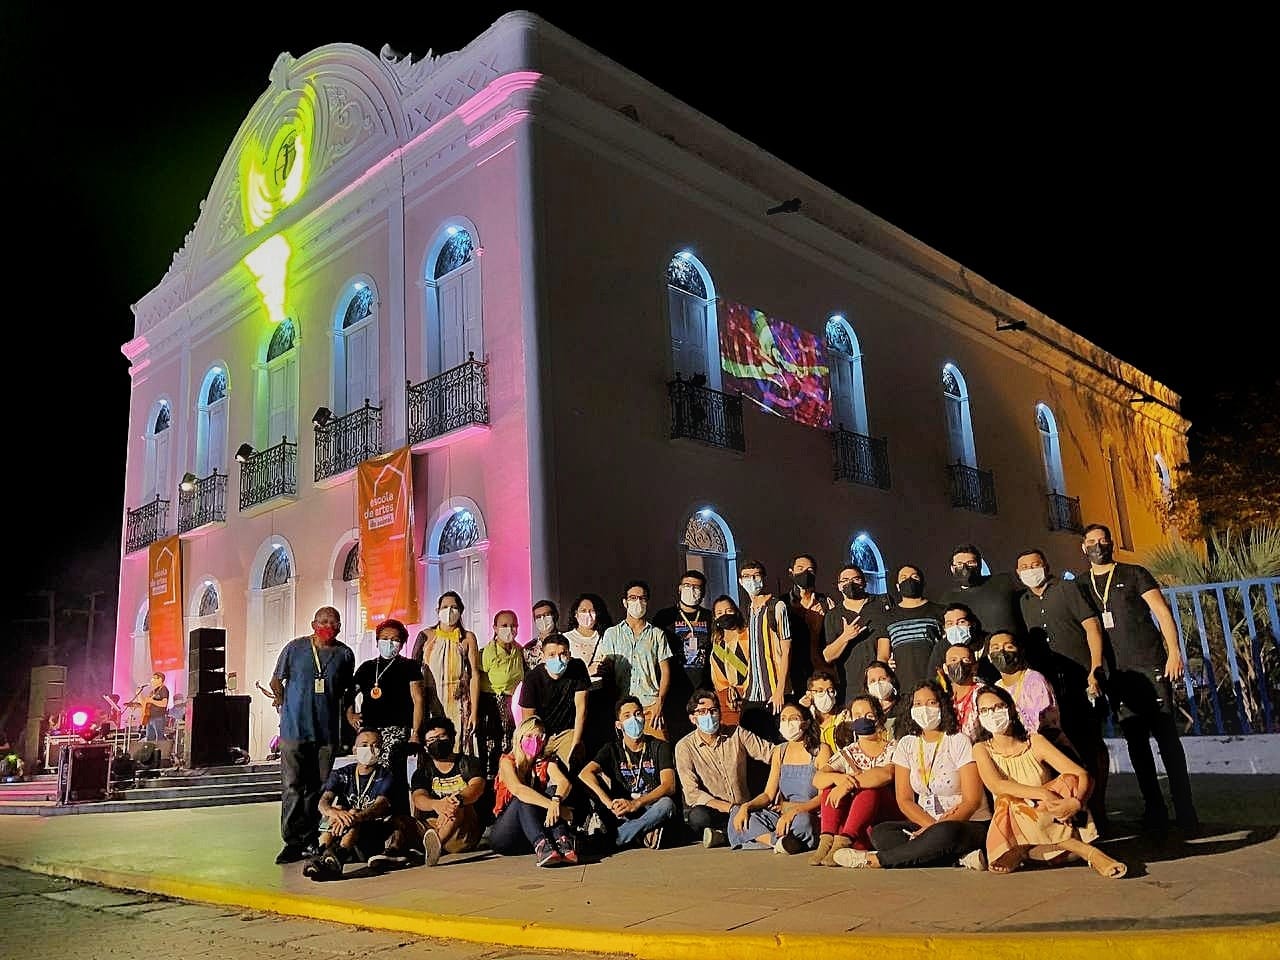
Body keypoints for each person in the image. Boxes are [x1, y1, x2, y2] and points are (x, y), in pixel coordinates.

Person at [1082, 523, 1198, 834]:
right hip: (1116, 674)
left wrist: (1174, 652)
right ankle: (1154, 808)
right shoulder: (1081, 584)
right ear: (1083, 547)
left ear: (1111, 543)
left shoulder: (1134, 573)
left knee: (1166, 738)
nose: (1097, 546)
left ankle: (1185, 809)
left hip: (1149, 664)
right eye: (1091, 541)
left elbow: (1161, 611)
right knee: (1136, 743)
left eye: (1102, 540)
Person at [833, 681, 991, 870]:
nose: (924, 709)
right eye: (918, 704)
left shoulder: (958, 741)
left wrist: (935, 828)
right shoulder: (907, 744)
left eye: (931, 703)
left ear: (942, 705)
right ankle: (958, 859)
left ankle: (875, 860)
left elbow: (972, 801)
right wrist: (930, 827)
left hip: (964, 822)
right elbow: (904, 800)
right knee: (881, 834)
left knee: (944, 833)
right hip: (926, 822)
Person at [972, 685, 1125, 878]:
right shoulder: (981, 749)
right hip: (1014, 823)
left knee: (1070, 780)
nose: (992, 714)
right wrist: (1043, 793)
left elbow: (1081, 774)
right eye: (984, 710)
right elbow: (997, 785)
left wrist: (1076, 802)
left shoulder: (1034, 742)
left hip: (1052, 818)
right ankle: (1089, 852)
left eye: (997, 707)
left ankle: (1026, 848)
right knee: (1007, 800)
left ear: (1010, 708)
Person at [1016, 548, 1110, 829]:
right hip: (1046, 690)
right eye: (1024, 567)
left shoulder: (1068, 590)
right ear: (1018, 573)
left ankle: (1097, 807)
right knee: (1061, 751)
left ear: (1046, 565)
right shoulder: (1022, 602)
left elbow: (1092, 627)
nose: (1031, 570)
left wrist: (1095, 667)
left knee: (1090, 744)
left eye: (1035, 564)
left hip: (1079, 681)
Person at [271, 606, 356, 864]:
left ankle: (310, 838)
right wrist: (282, 702)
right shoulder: (295, 648)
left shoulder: (344, 654)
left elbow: (346, 692)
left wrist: (350, 717)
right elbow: (276, 680)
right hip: (294, 730)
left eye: (333, 622)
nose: (328, 626)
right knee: (293, 786)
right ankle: (292, 841)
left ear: (340, 627)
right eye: (323, 621)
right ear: (313, 624)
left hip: (326, 733)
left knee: (318, 788)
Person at [675, 689, 774, 846]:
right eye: (702, 711)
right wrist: (730, 809)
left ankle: (724, 836)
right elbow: (692, 793)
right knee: (698, 817)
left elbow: (769, 752)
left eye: (713, 710)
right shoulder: (684, 747)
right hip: (717, 811)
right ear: (693, 718)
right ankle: (741, 832)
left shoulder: (737, 733)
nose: (709, 715)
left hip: (745, 807)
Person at [579, 696, 678, 849]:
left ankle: (618, 837)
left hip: (650, 806)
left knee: (667, 804)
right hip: (622, 809)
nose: (634, 719)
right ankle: (644, 835)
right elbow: (585, 773)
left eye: (638, 714)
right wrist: (609, 803)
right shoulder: (611, 748)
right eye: (627, 716)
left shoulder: (659, 746)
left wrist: (637, 803)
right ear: (618, 725)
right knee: (591, 789)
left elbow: (669, 785)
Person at [809, 695, 898, 864]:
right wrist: (839, 779)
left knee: (870, 789)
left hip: (884, 818)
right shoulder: (849, 752)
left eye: (869, 715)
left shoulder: (892, 748)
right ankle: (827, 841)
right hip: (858, 824)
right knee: (829, 787)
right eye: (857, 716)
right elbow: (818, 778)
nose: (863, 720)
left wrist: (848, 785)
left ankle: (843, 843)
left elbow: (886, 774)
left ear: (879, 717)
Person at [347, 619, 424, 812]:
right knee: (368, 771)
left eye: (395, 639)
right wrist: (351, 715)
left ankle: (399, 817)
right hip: (369, 729)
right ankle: (369, 814)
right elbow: (348, 695)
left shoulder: (409, 666)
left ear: (402, 643)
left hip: (397, 729)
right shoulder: (366, 667)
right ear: (377, 641)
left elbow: (418, 700)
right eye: (385, 638)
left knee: (393, 773)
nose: (389, 643)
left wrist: (416, 732)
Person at [302, 729, 401, 879]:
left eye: (375, 745)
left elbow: (379, 806)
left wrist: (355, 817)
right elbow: (323, 802)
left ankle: (338, 857)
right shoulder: (342, 773)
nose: (370, 749)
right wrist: (335, 813)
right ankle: (321, 854)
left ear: (380, 750)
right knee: (337, 809)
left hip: (371, 834)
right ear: (355, 749)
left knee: (353, 812)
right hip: (341, 829)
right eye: (364, 745)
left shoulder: (386, 776)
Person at [729, 703, 827, 853]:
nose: (788, 723)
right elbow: (768, 794)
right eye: (784, 719)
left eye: (793, 718)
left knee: (803, 822)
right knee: (737, 812)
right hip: (782, 813)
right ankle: (778, 842)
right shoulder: (779, 751)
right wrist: (746, 806)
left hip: (808, 813)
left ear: (806, 723)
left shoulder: (821, 750)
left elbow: (822, 797)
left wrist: (795, 811)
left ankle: (764, 839)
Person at [491, 716, 577, 866]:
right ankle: (541, 845)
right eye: (530, 736)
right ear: (519, 737)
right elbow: (518, 790)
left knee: (553, 791)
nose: (535, 741)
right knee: (524, 797)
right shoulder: (507, 761)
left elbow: (564, 783)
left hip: (530, 830)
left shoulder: (545, 761)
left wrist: (556, 801)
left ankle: (563, 841)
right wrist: (554, 807)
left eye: (540, 737)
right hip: (507, 833)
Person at [598, 580, 673, 740]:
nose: (638, 602)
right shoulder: (612, 634)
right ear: (625, 602)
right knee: (627, 752)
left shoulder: (657, 634)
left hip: (650, 706)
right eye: (633, 598)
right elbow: (607, 670)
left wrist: (659, 703)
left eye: (642, 598)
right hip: (623, 707)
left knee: (661, 749)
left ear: (647, 602)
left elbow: (666, 672)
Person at [409, 717, 486, 865]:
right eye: (431, 740)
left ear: (452, 737)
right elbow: (418, 798)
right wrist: (437, 805)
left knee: (456, 804)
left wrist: (455, 801)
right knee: (401, 821)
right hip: (434, 824)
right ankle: (393, 853)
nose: (437, 742)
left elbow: (476, 787)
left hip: (463, 830)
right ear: (425, 746)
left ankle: (436, 845)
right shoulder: (422, 772)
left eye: (442, 736)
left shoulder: (469, 763)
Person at [413, 592, 481, 754]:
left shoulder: (467, 638)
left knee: (457, 747)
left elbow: (474, 675)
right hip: (431, 702)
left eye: (454, 607)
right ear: (437, 610)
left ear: (461, 611)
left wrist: (474, 712)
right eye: (444, 607)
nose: (449, 611)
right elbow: (413, 672)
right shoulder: (425, 635)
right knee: (432, 744)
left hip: (458, 704)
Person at [653, 570, 713, 741]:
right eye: (687, 585)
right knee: (676, 739)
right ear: (679, 588)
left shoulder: (709, 617)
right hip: (674, 691)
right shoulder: (664, 617)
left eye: (696, 587)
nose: (691, 590)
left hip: (703, 689)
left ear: (703, 592)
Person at [737, 560, 791, 740]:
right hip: (752, 691)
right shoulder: (748, 610)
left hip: (774, 690)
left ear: (763, 578)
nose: (752, 580)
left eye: (756, 575)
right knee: (751, 742)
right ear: (740, 581)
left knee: (776, 741)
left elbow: (786, 650)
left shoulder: (777, 607)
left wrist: (780, 690)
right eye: (747, 576)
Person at [518, 634, 590, 767]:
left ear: (569, 655)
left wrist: (576, 746)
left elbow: (581, 710)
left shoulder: (578, 668)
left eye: (563, 654)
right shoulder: (532, 679)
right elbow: (528, 721)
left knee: (576, 765)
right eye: (551, 655)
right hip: (541, 735)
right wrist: (535, 747)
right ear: (543, 656)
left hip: (567, 734)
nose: (558, 659)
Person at [872, 565, 945, 694]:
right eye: (904, 578)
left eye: (914, 577)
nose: (909, 580)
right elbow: (883, 656)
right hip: (903, 686)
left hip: (936, 684)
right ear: (898, 586)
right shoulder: (888, 617)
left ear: (923, 583)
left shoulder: (940, 611)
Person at [822, 564, 885, 702]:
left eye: (856, 579)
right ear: (839, 586)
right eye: (845, 580)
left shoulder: (880, 605)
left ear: (864, 582)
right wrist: (845, 637)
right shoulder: (833, 616)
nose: (850, 583)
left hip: (881, 683)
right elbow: (828, 656)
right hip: (851, 688)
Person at [563, 593, 615, 755]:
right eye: (583, 611)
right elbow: (562, 672)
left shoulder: (607, 636)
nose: (588, 615)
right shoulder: (566, 639)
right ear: (575, 614)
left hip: (602, 698)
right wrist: (587, 670)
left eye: (592, 611)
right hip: (576, 699)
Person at [942, 543, 1027, 639]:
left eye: (970, 563)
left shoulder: (1004, 581)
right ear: (952, 569)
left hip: (1012, 644)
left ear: (979, 565)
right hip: (977, 647)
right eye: (959, 564)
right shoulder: (949, 599)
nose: (965, 568)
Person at [478, 610, 525, 778]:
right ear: (495, 628)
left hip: (509, 704)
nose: (509, 629)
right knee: (491, 746)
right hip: (489, 705)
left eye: (513, 625)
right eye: (504, 625)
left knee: (509, 745)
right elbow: (474, 678)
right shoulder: (487, 653)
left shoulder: (519, 651)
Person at [988, 631, 1059, 735]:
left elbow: (1047, 726)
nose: (1002, 652)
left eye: (1009, 647)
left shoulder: (1034, 681)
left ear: (1020, 652)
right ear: (989, 657)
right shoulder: (996, 688)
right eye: (996, 648)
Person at [785, 554, 833, 699]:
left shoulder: (825, 603)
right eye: (800, 569)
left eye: (810, 570)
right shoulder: (782, 604)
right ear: (791, 573)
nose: (805, 573)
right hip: (793, 673)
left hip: (821, 672)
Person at [709, 595, 750, 726]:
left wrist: (742, 690)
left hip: (749, 696)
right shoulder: (717, 642)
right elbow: (717, 676)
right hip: (726, 700)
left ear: (736, 612)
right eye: (719, 613)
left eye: (728, 611)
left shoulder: (748, 635)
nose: (724, 615)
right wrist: (728, 690)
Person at [941, 639, 986, 742]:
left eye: (966, 660)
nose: (959, 664)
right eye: (953, 660)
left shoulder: (982, 694)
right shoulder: (943, 697)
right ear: (945, 668)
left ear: (974, 667)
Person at [799, 668, 843, 748]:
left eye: (830, 690)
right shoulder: (808, 719)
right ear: (809, 694)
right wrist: (802, 709)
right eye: (820, 691)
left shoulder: (843, 717)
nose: (826, 695)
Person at [864, 660, 904, 738]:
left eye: (882, 678)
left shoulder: (904, 705)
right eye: (872, 681)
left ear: (891, 680)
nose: (878, 684)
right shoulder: (867, 710)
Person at [524, 599, 561, 672]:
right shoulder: (528, 648)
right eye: (538, 617)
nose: (542, 619)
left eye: (546, 615)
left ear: (555, 616)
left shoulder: (568, 640)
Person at [139, 673, 170, 743]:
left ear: (160, 679)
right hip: (149, 717)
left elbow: (164, 703)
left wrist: (151, 701)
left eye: (154, 678)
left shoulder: (163, 689)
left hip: (158, 717)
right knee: (149, 739)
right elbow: (144, 703)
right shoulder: (152, 692)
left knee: (159, 739)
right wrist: (139, 694)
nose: (151, 680)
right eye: (152, 678)